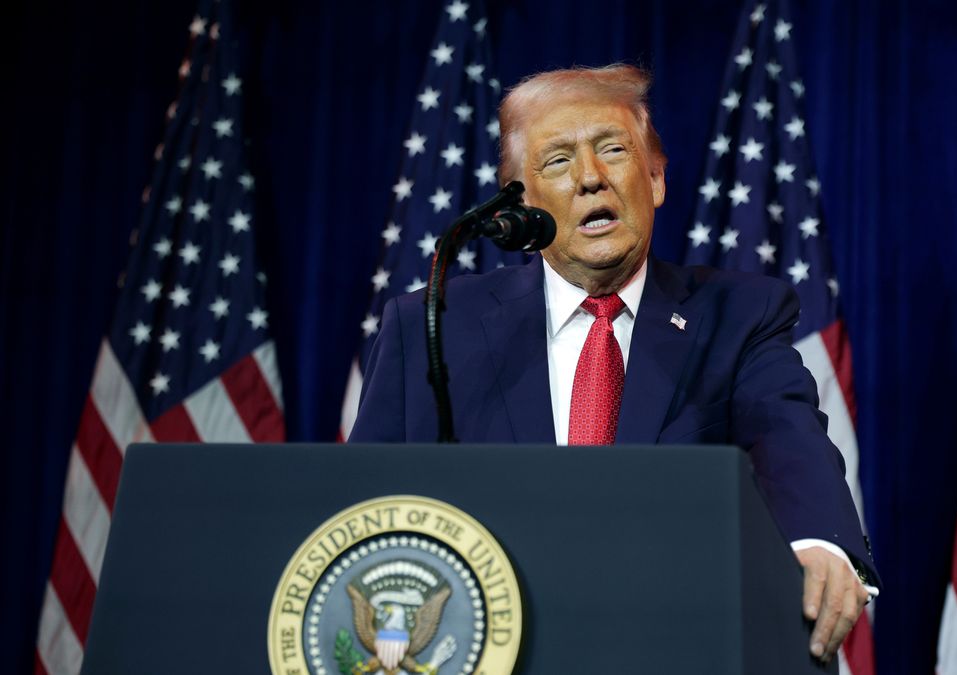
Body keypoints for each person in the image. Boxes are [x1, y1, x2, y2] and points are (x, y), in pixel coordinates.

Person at [350, 64, 878, 663]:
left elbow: (788, 436)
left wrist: (818, 543)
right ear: (521, 205)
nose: (590, 179)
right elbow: (367, 505)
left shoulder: (739, 315)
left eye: (613, 150)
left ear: (654, 178)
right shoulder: (433, 327)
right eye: (557, 162)